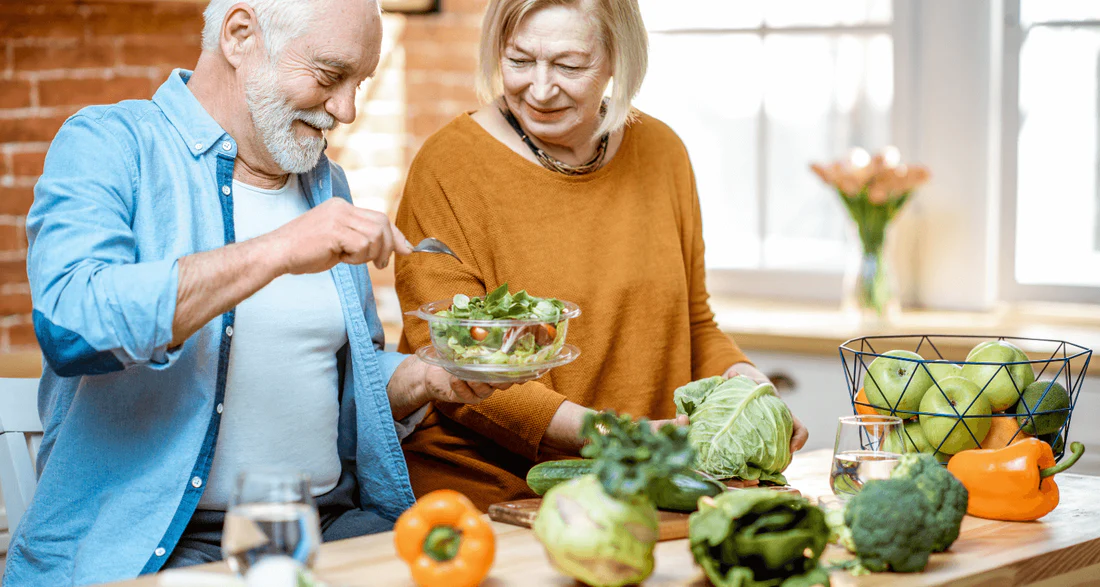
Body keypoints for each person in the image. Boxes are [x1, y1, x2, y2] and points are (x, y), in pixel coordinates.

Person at [3, 1, 499, 584]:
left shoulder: (324, 183)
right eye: (329, 75)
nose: (347, 109)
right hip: (152, 547)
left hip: (325, 525)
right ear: (240, 37)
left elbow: (327, 382)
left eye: (359, 83)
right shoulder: (111, 144)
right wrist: (279, 250)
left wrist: (429, 377)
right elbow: (72, 325)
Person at [393, 0, 809, 512]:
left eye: (569, 65)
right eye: (519, 60)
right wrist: (618, 435)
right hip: (495, 497)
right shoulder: (448, 167)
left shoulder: (663, 152)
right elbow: (459, 366)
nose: (540, 89)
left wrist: (751, 389)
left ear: (619, 59)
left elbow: (692, 322)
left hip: (640, 485)